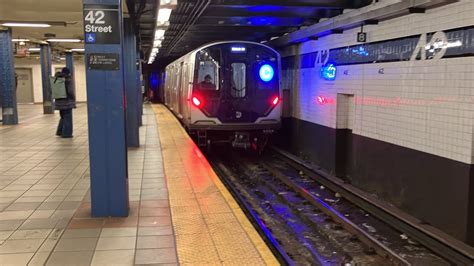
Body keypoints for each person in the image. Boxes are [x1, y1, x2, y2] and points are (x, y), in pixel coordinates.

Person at [55, 67, 76, 138]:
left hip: (59, 102)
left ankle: (60, 131)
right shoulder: (68, 80)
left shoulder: (57, 79)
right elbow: (70, 91)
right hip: (67, 102)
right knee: (68, 118)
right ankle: (67, 134)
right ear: (68, 72)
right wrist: (73, 98)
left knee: (63, 117)